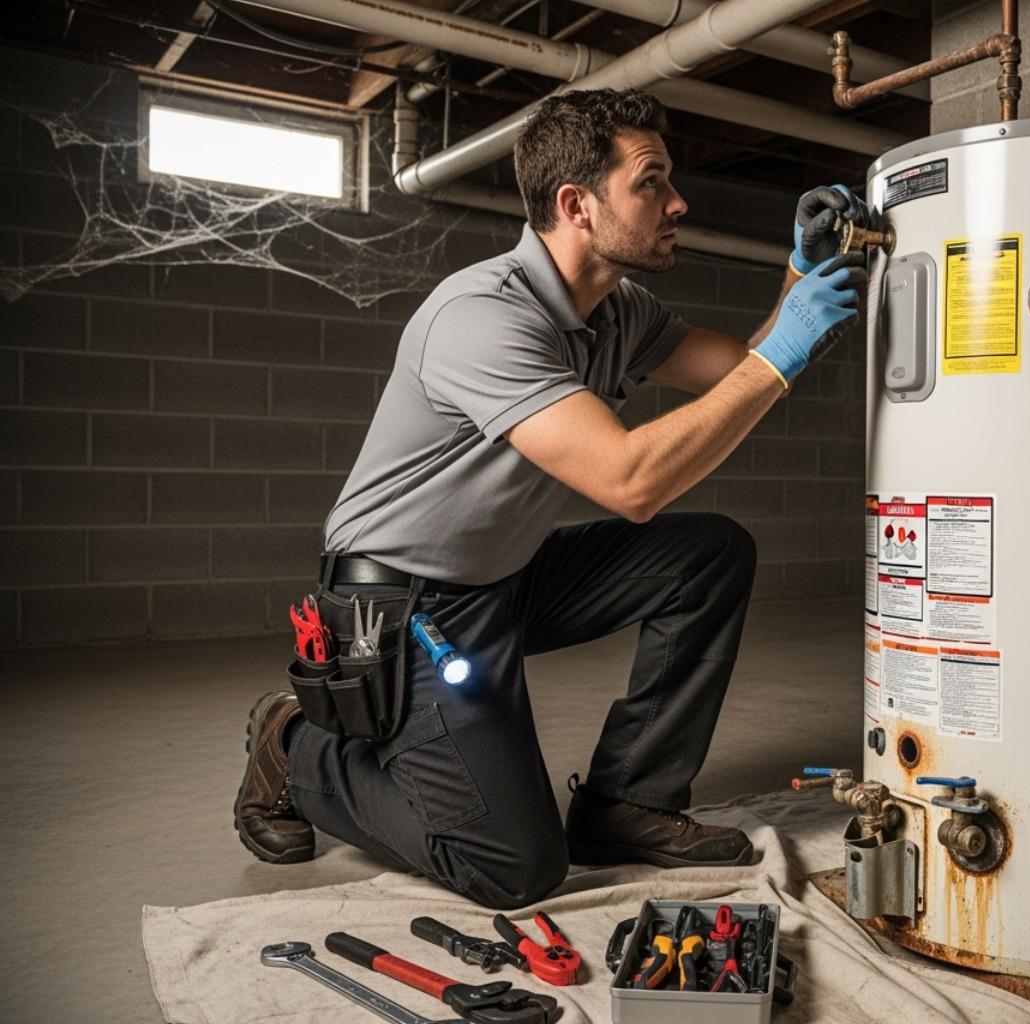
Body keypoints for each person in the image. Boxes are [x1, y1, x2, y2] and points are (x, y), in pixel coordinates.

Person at [232, 88, 882, 909]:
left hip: (504, 578)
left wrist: (802, 270)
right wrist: (783, 352)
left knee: (707, 554)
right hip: (401, 608)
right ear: (577, 204)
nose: (677, 201)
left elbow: (742, 365)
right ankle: (295, 745)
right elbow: (631, 482)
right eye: (651, 183)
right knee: (512, 866)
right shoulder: (480, 317)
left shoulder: (618, 310)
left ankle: (627, 803)